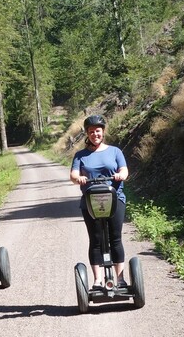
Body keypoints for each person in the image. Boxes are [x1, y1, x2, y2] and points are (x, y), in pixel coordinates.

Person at [69, 114, 129, 289]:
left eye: (98, 131)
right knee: (95, 240)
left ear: (102, 132)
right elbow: (73, 175)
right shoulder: (80, 155)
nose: (95, 134)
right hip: (91, 201)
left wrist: (120, 175)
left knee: (115, 238)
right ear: (87, 134)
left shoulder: (115, 151)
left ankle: (120, 279)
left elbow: (124, 170)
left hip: (115, 198)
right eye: (91, 131)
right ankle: (97, 280)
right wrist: (78, 178)